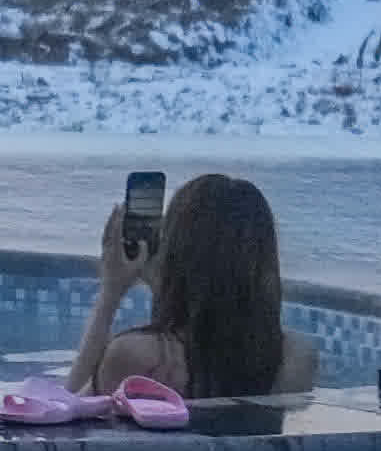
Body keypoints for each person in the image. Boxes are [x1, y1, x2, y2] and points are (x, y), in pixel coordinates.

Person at [75, 171, 318, 400]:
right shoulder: (296, 357)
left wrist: (110, 293)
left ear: (174, 253)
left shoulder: (136, 356)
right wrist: (163, 287)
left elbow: (64, 419)